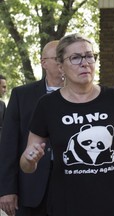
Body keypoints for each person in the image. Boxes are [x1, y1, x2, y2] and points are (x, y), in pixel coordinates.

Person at [19, 33, 114, 216]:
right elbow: (26, 163)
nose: (84, 62)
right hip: (66, 205)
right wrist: (30, 160)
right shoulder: (47, 105)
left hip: (113, 204)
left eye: (89, 56)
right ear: (61, 67)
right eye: (75, 58)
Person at [0, 40, 64, 216]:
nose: (62, 62)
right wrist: (7, 189)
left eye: (66, 57)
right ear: (44, 62)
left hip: (69, 186)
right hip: (30, 186)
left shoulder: (80, 95)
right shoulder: (22, 95)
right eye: (58, 58)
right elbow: (8, 144)